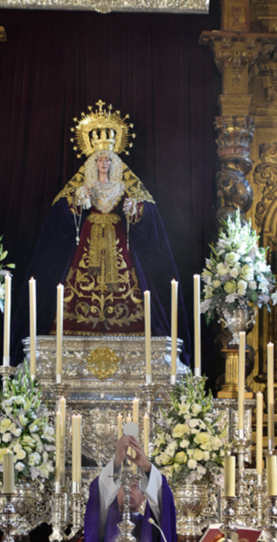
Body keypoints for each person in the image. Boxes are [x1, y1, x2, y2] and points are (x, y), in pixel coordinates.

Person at [14, 102, 190, 355]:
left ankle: (129, 332)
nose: (104, 163)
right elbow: (62, 210)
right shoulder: (84, 185)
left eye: (108, 159)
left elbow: (146, 210)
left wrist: (134, 209)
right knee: (77, 283)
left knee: (129, 284)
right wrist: (77, 202)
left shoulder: (123, 185)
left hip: (118, 240)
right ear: (93, 162)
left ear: (114, 161)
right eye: (100, 159)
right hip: (89, 236)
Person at [83, 434, 177, 542]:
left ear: (144, 496)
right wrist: (117, 461)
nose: (129, 491)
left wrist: (146, 466)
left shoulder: (153, 523)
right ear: (114, 491)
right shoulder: (105, 520)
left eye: (136, 486)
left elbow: (163, 500)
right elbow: (99, 493)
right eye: (123, 485)